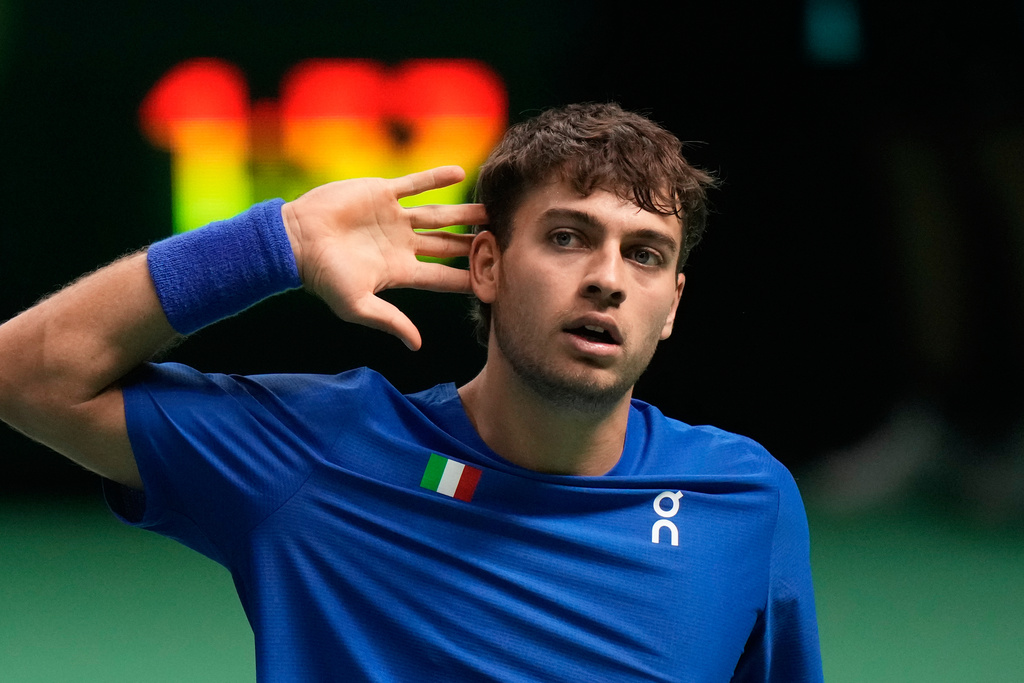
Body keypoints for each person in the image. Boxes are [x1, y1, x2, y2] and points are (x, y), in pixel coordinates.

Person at [0, 102, 822, 681]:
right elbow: (25, 375)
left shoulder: (745, 499)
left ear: (672, 303)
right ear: (488, 266)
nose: (607, 279)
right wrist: (271, 242)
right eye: (568, 237)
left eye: (644, 254)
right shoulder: (321, 456)